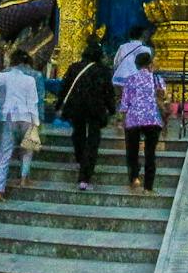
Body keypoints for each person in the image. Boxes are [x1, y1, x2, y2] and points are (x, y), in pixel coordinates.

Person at [0, 49, 41, 200]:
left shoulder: (3, 76)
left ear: (11, 62)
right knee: (27, 149)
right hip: (26, 117)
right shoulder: (30, 80)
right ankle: (24, 178)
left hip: (7, 116)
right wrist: (36, 123)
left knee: (4, 153)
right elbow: (34, 102)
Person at [59, 37, 115, 190]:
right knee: (92, 141)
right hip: (95, 109)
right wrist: (112, 109)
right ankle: (85, 177)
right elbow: (108, 92)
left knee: (78, 134)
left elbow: (64, 88)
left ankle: (79, 159)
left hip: (76, 108)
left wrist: (59, 105)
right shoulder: (103, 71)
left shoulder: (74, 68)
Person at [119, 50, 170, 194]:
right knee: (150, 153)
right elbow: (163, 97)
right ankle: (148, 187)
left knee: (132, 151)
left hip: (133, 119)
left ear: (136, 64)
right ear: (150, 64)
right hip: (152, 118)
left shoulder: (130, 79)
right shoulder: (157, 79)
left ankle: (134, 178)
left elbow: (124, 104)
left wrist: (123, 121)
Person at [111, 25, 152, 106]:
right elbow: (146, 66)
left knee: (121, 102)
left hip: (118, 78)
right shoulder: (146, 49)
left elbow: (116, 62)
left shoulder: (123, 47)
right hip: (136, 80)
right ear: (142, 36)